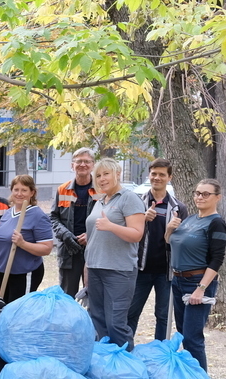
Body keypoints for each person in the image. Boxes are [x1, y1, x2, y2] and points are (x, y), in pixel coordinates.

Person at [166, 179, 226, 372]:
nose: (200, 197)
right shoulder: (191, 219)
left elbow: (217, 259)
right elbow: (170, 242)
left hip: (197, 282)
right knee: (184, 333)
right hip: (178, 280)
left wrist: (201, 289)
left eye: (206, 194)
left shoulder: (216, 223)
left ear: (217, 197)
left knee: (193, 337)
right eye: (197, 192)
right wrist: (169, 229)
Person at [85, 158, 146, 350]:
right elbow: (95, 234)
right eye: (98, 175)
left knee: (116, 324)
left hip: (118, 270)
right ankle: (106, 367)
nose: (102, 179)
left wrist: (110, 227)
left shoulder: (129, 198)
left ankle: (128, 367)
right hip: (95, 267)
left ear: (117, 174)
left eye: (106, 174)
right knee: (97, 321)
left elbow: (137, 234)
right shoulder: (100, 200)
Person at [127, 159, 188, 340]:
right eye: (154, 173)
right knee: (130, 313)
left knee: (163, 316)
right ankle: (126, 352)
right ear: (149, 175)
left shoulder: (179, 208)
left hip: (166, 273)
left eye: (162, 174)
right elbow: (128, 233)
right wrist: (142, 219)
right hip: (140, 270)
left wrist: (173, 230)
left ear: (170, 177)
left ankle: (159, 352)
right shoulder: (137, 202)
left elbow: (184, 243)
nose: (157, 178)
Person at [0, 174, 54, 302]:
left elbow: (47, 249)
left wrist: (22, 243)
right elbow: (0, 245)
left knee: (19, 311)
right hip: (2, 271)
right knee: (6, 309)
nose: (19, 194)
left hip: (24, 273)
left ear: (32, 192)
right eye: (16, 189)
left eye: (24, 190)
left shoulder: (37, 215)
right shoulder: (8, 213)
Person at [50, 147, 99, 298]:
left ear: (93, 165)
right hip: (68, 251)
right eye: (79, 161)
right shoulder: (62, 189)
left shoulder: (101, 189)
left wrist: (91, 235)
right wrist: (65, 234)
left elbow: (109, 218)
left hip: (94, 249)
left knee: (93, 296)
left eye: (86, 161)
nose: (82, 164)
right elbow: (53, 217)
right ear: (72, 165)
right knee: (67, 296)